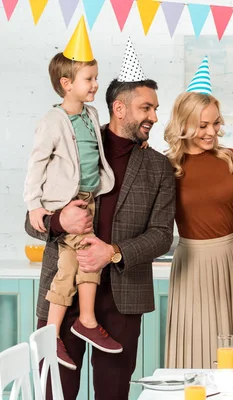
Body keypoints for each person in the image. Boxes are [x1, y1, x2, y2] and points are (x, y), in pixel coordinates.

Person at [24, 39, 176, 400]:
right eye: (147, 108)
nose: (154, 116)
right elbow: (32, 221)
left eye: (155, 108)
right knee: (54, 393)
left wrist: (114, 252)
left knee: (113, 394)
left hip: (123, 299)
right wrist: (59, 221)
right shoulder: (73, 141)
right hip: (62, 295)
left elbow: (161, 235)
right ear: (119, 108)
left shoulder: (159, 166)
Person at [23, 20, 122, 371]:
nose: (96, 84)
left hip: (89, 197)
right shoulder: (54, 119)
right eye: (89, 79)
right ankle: (79, 324)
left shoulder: (92, 114)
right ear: (67, 84)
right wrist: (35, 203)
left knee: (84, 260)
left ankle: (77, 324)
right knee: (73, 264)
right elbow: (37, 161)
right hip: (68, 202)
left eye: (96, 77)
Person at [163, 89, 233, 368]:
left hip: (232, 259)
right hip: (190, 263)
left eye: (215, 123)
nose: (211, 132)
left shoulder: (232, 158)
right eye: (202, 125)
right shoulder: (167, 166)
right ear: (184, 125)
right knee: (193, 343)